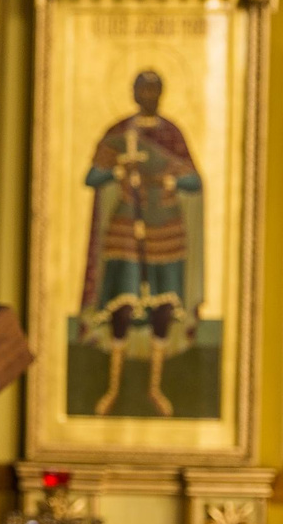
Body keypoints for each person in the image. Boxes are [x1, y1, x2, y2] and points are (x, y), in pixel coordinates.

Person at [78, 69, 203, 417]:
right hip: (126, 226)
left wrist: (171, 178)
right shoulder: (119, 133)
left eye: (154, 89)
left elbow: (194, 181)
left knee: (163, 308)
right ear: (134, 93)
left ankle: (155, 388)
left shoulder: (171, 135)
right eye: (142, 89)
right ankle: (112, 388)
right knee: (122, 303)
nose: (148, 94)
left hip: (165, 231)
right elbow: (92, 176)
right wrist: (118, 169)